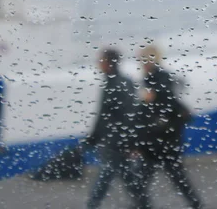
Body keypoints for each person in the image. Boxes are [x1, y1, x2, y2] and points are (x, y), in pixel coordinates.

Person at [137, 45, 204, 209]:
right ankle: (141, 204)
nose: (141, 64)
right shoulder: (154, 79)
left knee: (170, 175)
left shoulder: (158, 80)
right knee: (153, 176)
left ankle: (195, 203)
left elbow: (163, 106)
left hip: (163, 139)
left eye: (143, 60)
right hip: (160, 139)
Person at [85, 48, 151, 209]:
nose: (99, 64)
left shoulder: (115, 84)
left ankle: (92, 205)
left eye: (101, 60)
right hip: (119, 138)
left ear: (108, 63)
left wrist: (94, 137)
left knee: (107, 173)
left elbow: (111, 114)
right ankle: (144, 204)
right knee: (127, 174)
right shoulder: (121, 81)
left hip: (116, 139)